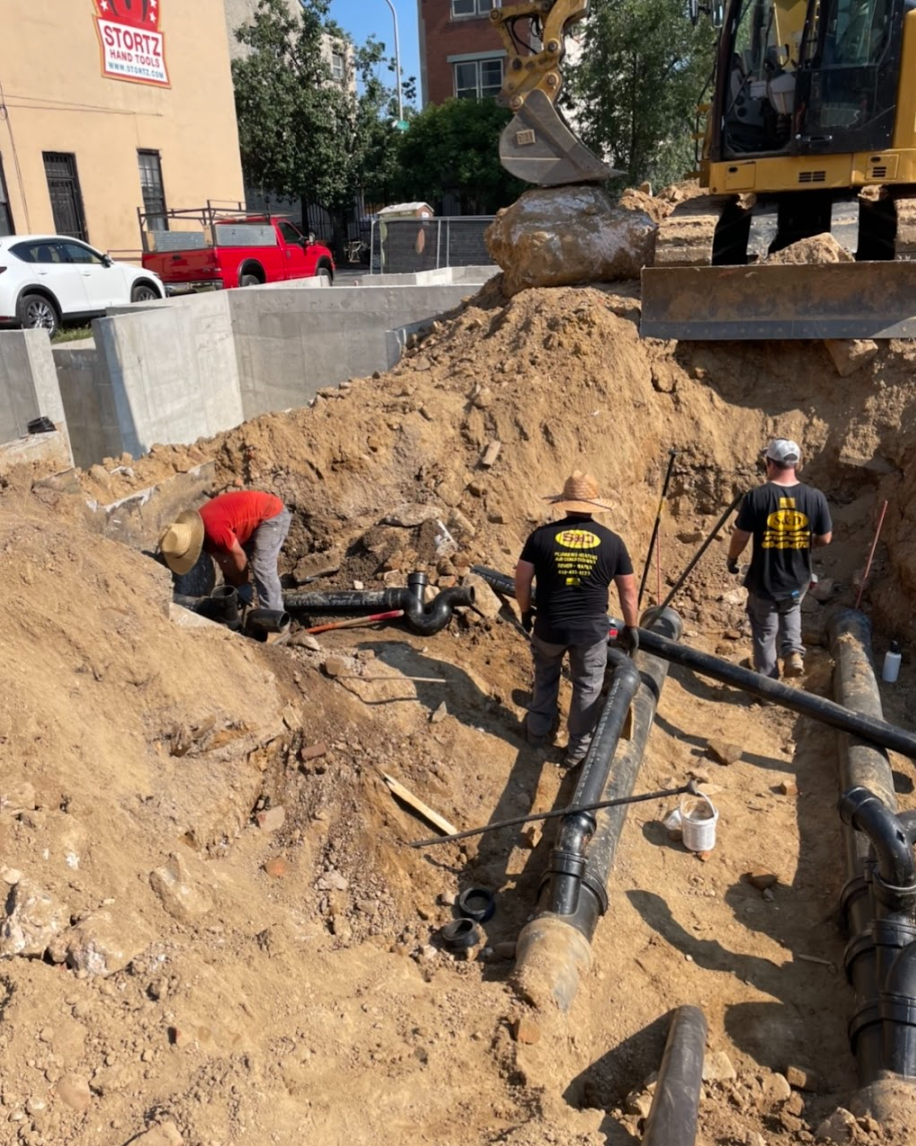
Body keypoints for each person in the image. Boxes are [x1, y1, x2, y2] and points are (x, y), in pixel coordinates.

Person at [515, 470, 640, 767]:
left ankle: (536, 734)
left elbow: (521, 582)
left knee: (546, 676)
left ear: (565, 503)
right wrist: (632, 626)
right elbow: (628, 591)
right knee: (586, 687)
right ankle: (578, 752)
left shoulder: (541, 537)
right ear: (594, 505)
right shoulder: (613, 542)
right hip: (590, 633)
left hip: (549, 626)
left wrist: (524, 611)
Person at [726, 438, 832, 679]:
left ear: (769, 463)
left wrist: (732, 559)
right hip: (799, 580)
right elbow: (825, 538)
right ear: (796, 464)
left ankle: (768, 684)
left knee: (765, 630)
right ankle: (793, 650)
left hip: (765, 582)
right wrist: (803, 542)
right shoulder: (815, 497)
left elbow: (741, 536)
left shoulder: (757, 497)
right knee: (791, 610)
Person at [159, 490, 292, 612]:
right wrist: (233, 589)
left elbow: (240, 557)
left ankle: (275, 617)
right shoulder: (201, 536)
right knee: (238, 569)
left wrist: (243, 586)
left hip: (271, 514)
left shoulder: (213, 531)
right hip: (250, 522)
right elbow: (225, 562)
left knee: (262, 565)